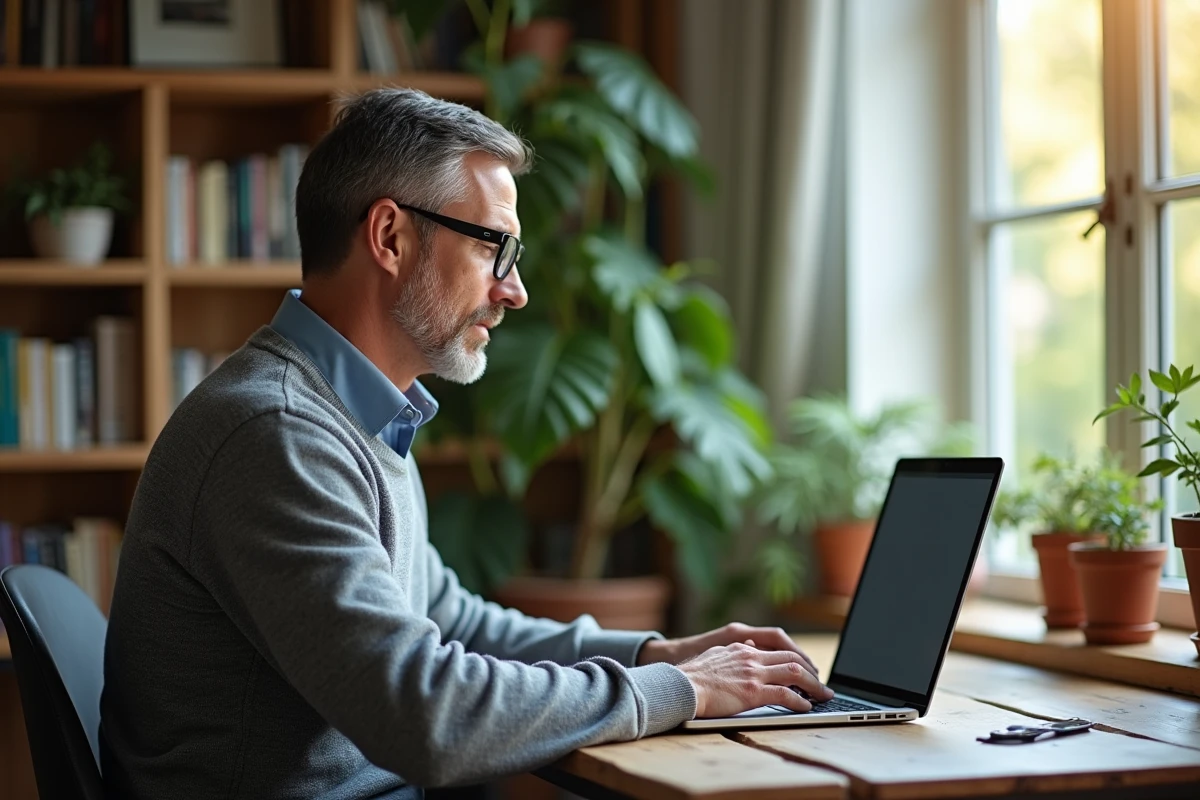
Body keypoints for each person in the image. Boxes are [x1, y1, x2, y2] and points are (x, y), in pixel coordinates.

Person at [99, 88, 831, 800]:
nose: (514, 291)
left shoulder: (360, 416)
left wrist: (654, 654)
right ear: (390, 236)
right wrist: (677, 690)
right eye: (493, 248)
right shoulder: (277, 435)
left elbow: (451, 621)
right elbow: (424, 716)